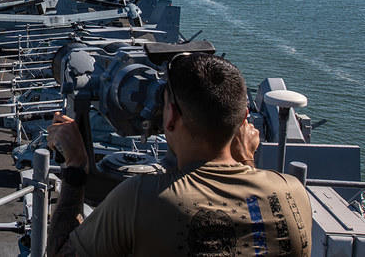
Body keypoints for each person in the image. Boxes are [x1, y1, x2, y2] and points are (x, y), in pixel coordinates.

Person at [47, 53, 312, 256]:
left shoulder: (141, 200)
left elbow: (59, 252)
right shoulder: (293, 193)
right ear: (244, 118)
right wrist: (245, 162)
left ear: (171, 116)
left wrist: (76, 167)